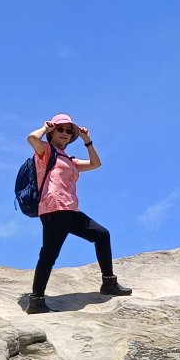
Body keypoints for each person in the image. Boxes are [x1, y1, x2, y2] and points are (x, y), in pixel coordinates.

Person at [25, 113, 132, 314]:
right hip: (54, 209)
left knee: (101, 234)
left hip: (70, 210)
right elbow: (31, 138)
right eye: (60, 129)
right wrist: (44, 129)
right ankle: (36, 301)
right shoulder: (46, 151)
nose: (65, 133)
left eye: (68, 130)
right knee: (49, 254)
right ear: (52, 131)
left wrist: (87, 141)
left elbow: (95, 164)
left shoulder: (70, 159)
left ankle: (108, 283)